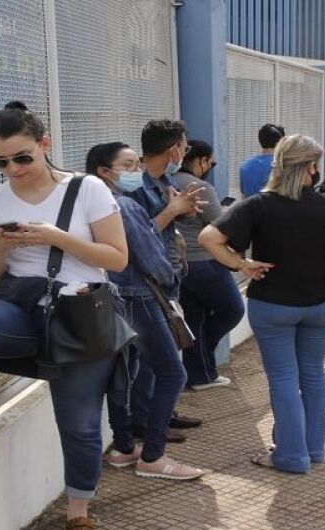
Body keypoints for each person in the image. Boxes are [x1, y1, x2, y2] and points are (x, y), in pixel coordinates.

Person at [0, 102, 128, 530]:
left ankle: (78, 513)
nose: (13, 169)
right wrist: (3, 244)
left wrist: (55, 237)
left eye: (23, 157)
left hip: (80, 313)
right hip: (22, 308)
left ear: (45, 144)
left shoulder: (87, 188)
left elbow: (116, 258)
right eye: (0, 161)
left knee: (79, 424)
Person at [199, 134, 325, 474]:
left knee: (284, 378)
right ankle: (314, 450)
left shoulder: (258, 204)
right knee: (313, 374)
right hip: (319, 303)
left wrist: (241, 265)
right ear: (310, 167)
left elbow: (208, 238)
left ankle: (290, 455)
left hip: (272, 304)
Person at [85, 142, 204, 481]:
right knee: (172, 372)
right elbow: (150, 253)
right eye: (128, 165)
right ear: (104, 172)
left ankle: (124, 448)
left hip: (110, 296)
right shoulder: (121, 204)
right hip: (139, 295)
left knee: (123, 373)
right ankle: (153, 456)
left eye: (137, 163)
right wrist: (171, 280)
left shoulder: (92, 205)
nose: (136, 170)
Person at [124, 120, 205, 445]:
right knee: (153, 361)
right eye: (184, 148)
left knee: (169, 352)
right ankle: (146, 425)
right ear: (173, 149)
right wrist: (172, 211)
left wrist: (182, 211)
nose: (184, 153)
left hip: (168, 278)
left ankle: (163, 412)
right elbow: (136, 239)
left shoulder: (163, 180)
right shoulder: (134, 188)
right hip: (146, 285)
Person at [174, 140, 245, 390]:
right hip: (205, 262)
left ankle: (200, 373)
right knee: (233, 310)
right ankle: (203, 361)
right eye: (211, 163)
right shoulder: (200, 186)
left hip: (179, 265)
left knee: (195, 319)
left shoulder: (166, 182)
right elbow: (219, 224)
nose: (209, 167)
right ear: (201, 160)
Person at [239, 124, 285, 197]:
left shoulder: (245, 165)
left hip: (250, 207)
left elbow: (243, 194)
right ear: (279, 142)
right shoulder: (283, 166)